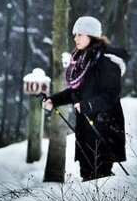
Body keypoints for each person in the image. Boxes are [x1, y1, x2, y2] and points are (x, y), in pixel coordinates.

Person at [43, 16, 130, 181]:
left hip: (104, 128)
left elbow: (111, 94)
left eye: (80, 34)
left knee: (100, 177)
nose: (75, 38)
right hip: (85, 129)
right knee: (87, 174)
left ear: (92, 36)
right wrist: (54, 100)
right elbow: (76, 91)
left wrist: (88, 105)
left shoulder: (107, 63)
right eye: (74, 34)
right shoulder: (83, 61)